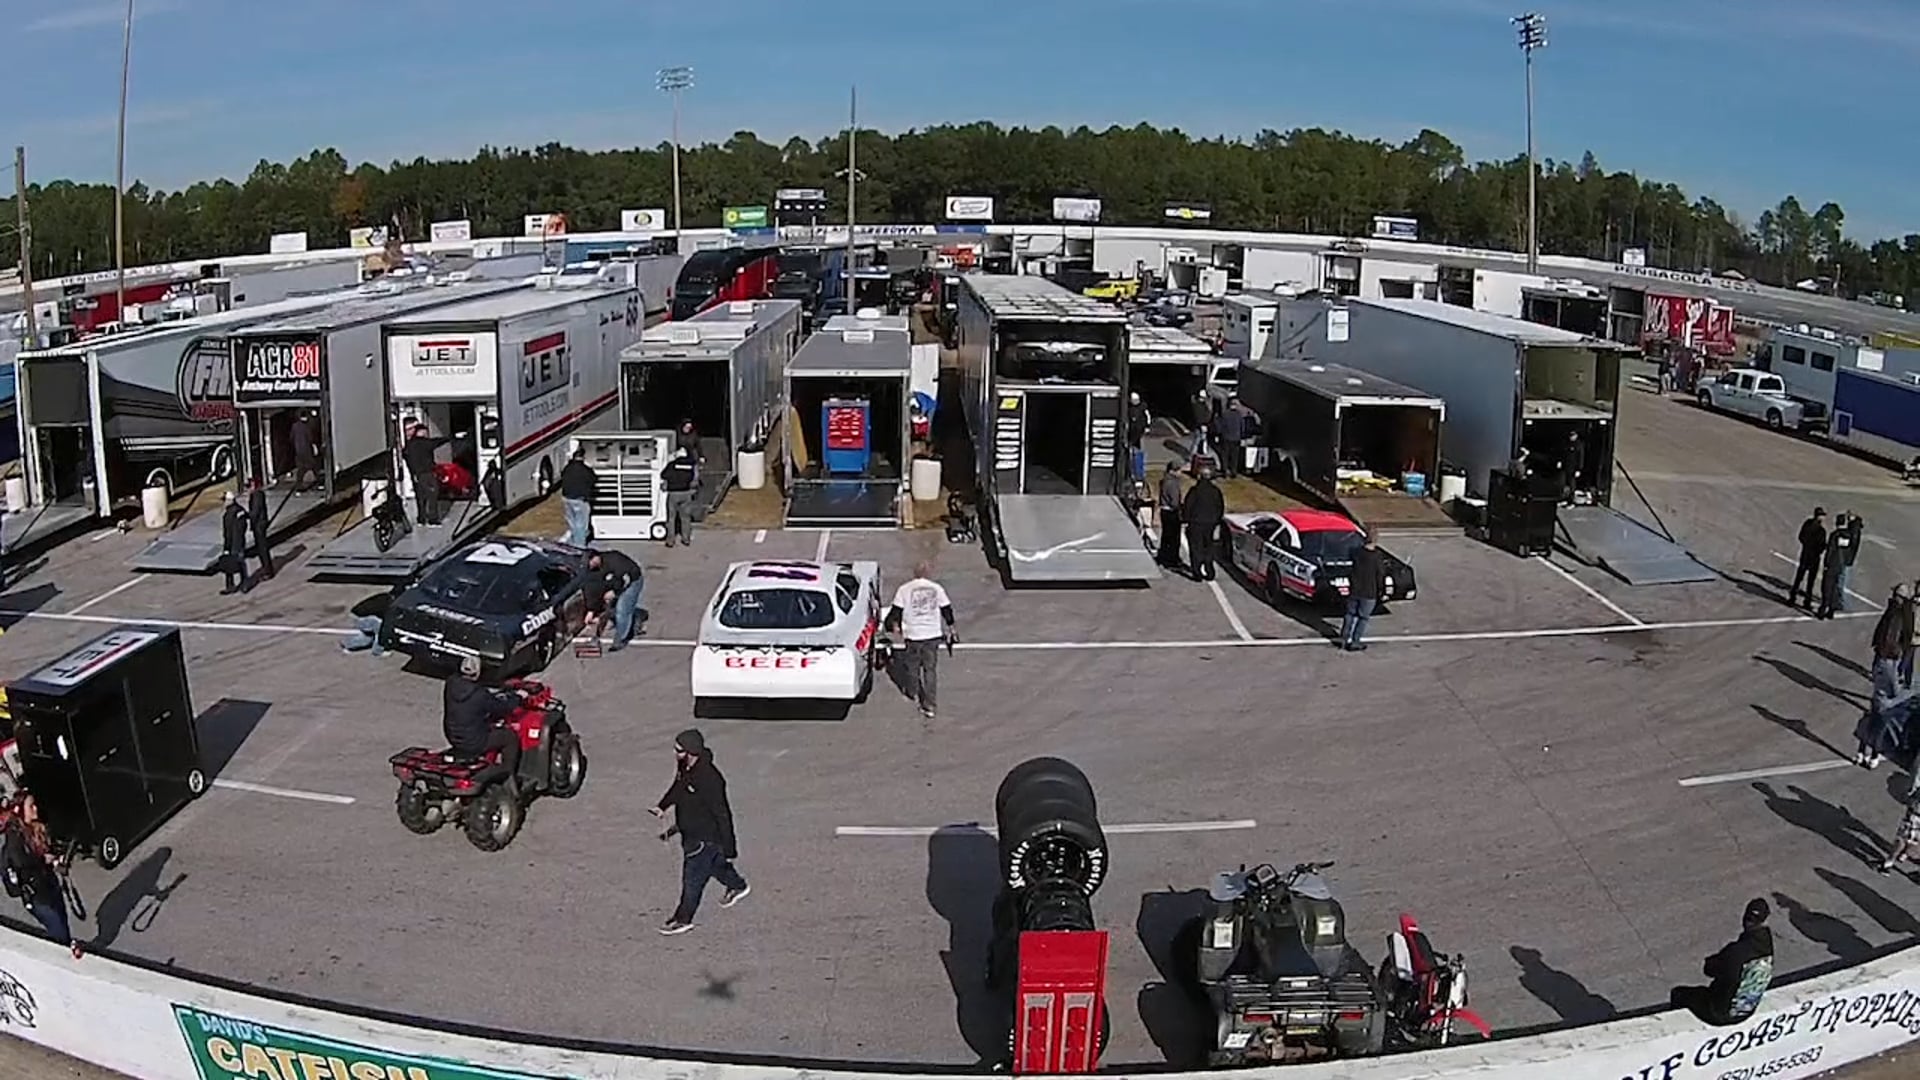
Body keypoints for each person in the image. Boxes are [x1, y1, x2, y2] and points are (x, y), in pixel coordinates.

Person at [651, 729, 748, 935]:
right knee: (715, 865)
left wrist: (730, 848)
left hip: (704, 838)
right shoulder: (685, 766)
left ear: (691, 752)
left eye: (679, 750)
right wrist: (663, 806)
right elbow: (679, 787)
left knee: (692, 880)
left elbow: (723, 814)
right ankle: (737, 886)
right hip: (689, 833)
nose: (675, 753)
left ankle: (683, 919)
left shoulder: (710, 779)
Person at [2, 794, 82, 959]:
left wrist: (55, 860)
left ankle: (65, 954)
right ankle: (63, 962)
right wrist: (43, 860)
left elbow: (48, 851)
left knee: (63, 927)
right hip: (37, 897)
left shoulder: (37, 829)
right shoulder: (15, 839)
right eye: (31, 806)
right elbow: (22, 863)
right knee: (59, 933)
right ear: (21, 811)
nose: (35, 809)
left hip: (51, 886)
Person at [1670, 899, 1773, 1026]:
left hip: (1721, 1013)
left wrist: (1716, 959)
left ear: (1744, 919)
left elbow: (1709, 970)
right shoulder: (1767, 946)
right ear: (1765, 920)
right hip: (1746, 1011)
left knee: (1679, 993)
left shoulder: (1736, 951)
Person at [886, 563, 957, 720]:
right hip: (932, 634)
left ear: (915, 573)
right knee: (929, 670)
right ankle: (930, 705)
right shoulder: (937, 588)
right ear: (928, 573)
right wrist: (952, 628)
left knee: (912, 667)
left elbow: (896, 611)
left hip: (913, 634)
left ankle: (912, 691)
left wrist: (895, 626)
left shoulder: (904, 589)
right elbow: (947, 610)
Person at [442, 655, 520, 775]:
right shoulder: (479, 694)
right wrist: (517, 698)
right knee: (510, 737)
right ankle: (508, 775)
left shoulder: (450, 684)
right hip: (474, 741)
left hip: (453, 736)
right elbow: (500, 708)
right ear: (478, 672)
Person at [585, 548, 646, 650]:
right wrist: (591, 610)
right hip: (615, 583)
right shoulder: (594, 569)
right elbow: (592, 588)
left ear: (595, 557)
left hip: (632, 581)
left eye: (590, 563)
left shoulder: (615, 560)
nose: (589, 566)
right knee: (611, 609)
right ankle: (636, 620)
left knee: (622, 609)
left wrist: (614, 592)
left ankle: (620, 640)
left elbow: (626, 579)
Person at [1341, 532, 1385, 652]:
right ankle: (1355, 641)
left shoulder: (1356, 552)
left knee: (1350, 614)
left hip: (1355, 589)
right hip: (1369, 591)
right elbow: (1380, 575)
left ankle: (1344, 638)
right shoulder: (1377, 557)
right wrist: (1381, 590)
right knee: (1363, 618)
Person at [1180, 466, 1225, 582]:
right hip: (1210, 524)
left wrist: (1186, 520)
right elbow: (1220, 507)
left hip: (1196, 523)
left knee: (1196, 547)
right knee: (1209, 547)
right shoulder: (1215, 491)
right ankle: (1209, 570)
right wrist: (1217, 520)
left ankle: (1197, 572)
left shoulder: (1195, 491)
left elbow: (1188, 506)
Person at [400, 422, 447, 527]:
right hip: (427, 473)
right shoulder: (424, 443)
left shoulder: (409, 445)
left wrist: (413, 472)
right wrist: (449, 438)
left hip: (416, 475)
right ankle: (433, 519)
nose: (426, 433)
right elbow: (437, 442)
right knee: (432, 495)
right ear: (420, 432)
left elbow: (405, 456)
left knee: (420, 497)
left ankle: (421, 519)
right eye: (425, 431)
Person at [339, 583, 404, 655]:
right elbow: (388, 620)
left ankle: (347, 644)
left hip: (357, 616)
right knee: (381, 629)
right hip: (362, 618)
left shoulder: (385, 596)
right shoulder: (391, 603)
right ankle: (378, 650)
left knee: (368, 638)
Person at [1816, 513, 1854, 620]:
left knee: (1827, 587)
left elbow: (1831, 550)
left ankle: (1822, 610)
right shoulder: (1848, 536)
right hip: (1841, 565)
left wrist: (1826, 563)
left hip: (1832, 564)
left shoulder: (1835, 535)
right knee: (1835, 588)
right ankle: (1831, 611)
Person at [558, 447, 596, 547]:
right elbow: (593, 480)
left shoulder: (567, 468)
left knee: (572, 523)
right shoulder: (585, 470)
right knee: (581, 525)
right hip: (580, 499)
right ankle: (579, 546)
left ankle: (573, 543)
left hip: (567, 499)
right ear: (583, 457)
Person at [1788, 507, 1826, 608]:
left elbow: (1801, 537)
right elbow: (1822, 546)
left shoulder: (1807, 524)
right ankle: (1807, 601)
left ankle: (1792, 597)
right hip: (1814, 557)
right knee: (1810, 582)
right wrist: (1818, 550)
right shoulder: (1821, 531)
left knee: (1799, 577)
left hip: (1805, 554)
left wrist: (1806, 545)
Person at [661, 447, 699, 548]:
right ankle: (686, 539)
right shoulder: (690, 465)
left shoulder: (672, 465)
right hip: (686, 493)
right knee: (685, 517)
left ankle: (670, 540)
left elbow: (663, 475)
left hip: (673, 494)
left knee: (671, 518)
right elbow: (694, 478)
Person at [1880, 786, 1920, 875]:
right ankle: (1904, 855)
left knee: (1901, 841)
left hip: (1913, 820)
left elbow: (1911, 802)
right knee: (1914, 842)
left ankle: (1887, 865)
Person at [219, 492, 251, 595]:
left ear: (229, 500)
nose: (223, 503)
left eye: (224, 500)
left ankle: (243, 583)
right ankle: (233, 585)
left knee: (239, 562)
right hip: (232, 541)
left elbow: (239, 529)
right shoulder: (233, 512)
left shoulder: (236, 512)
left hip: (236, 542)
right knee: (231, 563)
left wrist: (231, 542)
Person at [1155, 462, 1185, 569]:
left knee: (1166, 536)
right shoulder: (1172, 483)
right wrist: (1181, 508)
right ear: (1172, 471)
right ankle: (1172, 559)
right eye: (1179, 470)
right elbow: (1174, 501)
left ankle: (1163, 556)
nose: (1180, 473)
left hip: (1164, 511)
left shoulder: (1165, 480)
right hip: (1171, 512)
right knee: (1173, 538)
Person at [245, 478, 275, 580]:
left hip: (259, 526)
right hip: (259, 524)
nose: (247, 489)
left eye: (248, 486)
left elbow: (255, 512)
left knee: (263, 549)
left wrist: (245, 515)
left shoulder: (257, 495)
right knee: (261, 548)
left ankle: (268, 571)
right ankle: (266, 569)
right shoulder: (257, 494)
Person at [290, 411, 320, 492]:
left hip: (298, 450)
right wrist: (314, 447)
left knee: (301, 468)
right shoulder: (307, 427)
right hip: (307, 450)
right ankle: (316, 483)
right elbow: (310, 439)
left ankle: (299, 484)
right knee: (313, 466)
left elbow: (291, 438)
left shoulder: (294, 426)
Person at [1125, 391, 1151, 481]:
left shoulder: (1143, 407)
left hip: (1140, 432)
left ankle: (1139, 473)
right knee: (1131, 453)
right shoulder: (1129, 408)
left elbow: (1148, 416)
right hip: (1131, 433)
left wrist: (1147, 427)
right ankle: (1132, 472)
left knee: (1139, 452)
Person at [1217, 397, 1243, 479]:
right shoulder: (1239, 415)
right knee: (1234, 456)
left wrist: (1219, 434)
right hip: (1236, 438)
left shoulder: (1225, 414)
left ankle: (1225, 471)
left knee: (1225, 455)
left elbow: (1220, 426)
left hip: (1226, 437)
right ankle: (1233, 471)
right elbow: (1242, 427)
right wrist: (1241, 436)